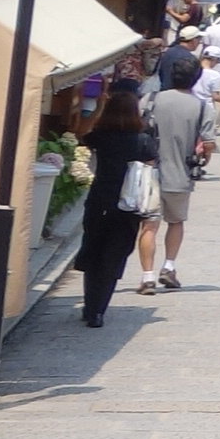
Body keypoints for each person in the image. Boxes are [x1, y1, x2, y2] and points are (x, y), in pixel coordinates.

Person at [74, 85, 157, 330]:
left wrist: (98, 106)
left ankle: (90, 307)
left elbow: (80, 134)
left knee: (94, 252)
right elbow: (151, 165)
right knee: (114, 256)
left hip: (100, 199)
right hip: (128, 204)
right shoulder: (142, 139)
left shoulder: (101, 135)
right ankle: (99, 310)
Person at [139, 52, 211, 294]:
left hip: (148, 173)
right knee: (176, 221)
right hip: (180, 173)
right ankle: (168, 267)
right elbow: (208, 144)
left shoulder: (150, 99)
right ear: (196, 78)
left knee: (149, 225)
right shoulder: (201, 106)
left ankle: (147, 277)